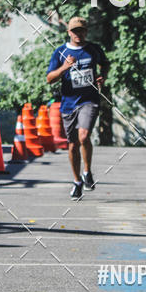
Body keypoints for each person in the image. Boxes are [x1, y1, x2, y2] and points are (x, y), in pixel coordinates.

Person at [47, 16, 109, 200]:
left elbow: (105, 64)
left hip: (89, 100)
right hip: (68, 103)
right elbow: (50, 78)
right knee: (73, 144)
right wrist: (65, 67)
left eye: (81, 30)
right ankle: (77, 181)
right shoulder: (60, 52)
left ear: (86, 31)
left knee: (84, 135)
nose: (78, 34)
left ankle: (87, 170)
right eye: (75, 31)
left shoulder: (93, 49)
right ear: (69, 33)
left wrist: (102, 76)